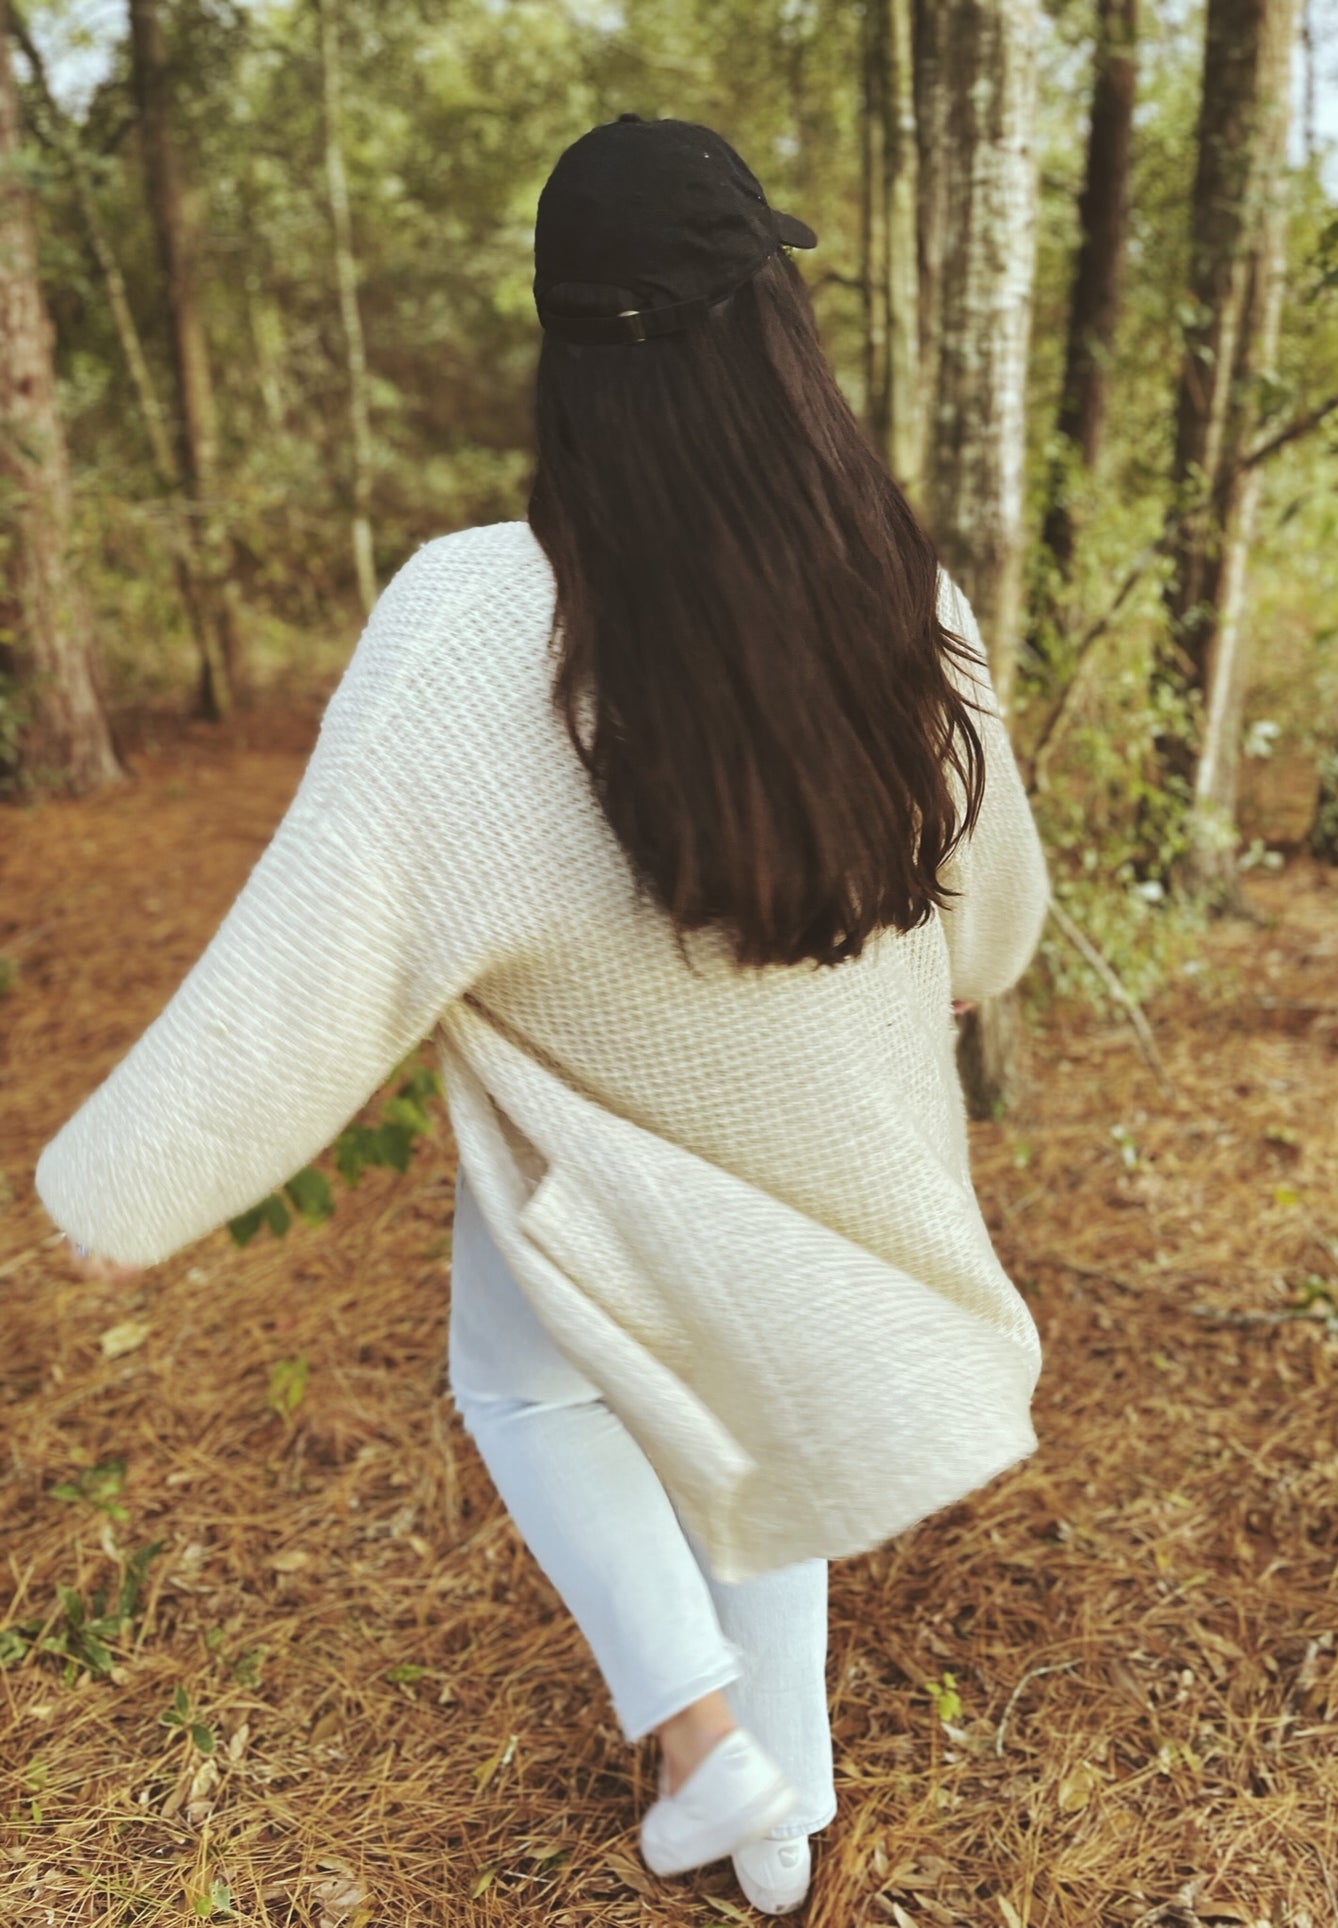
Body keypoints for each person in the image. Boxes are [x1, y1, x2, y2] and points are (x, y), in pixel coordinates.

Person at [39, 115, 1050, 1918]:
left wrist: (119, 1191)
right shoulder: (907, 599)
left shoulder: (471, 618)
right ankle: (780, 1821)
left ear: (563, 352)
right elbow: (992, 926)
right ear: (773, 335)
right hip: (827, 1159)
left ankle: (699, 1736)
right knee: (760, 1412)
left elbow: (313, 953)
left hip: (593, 1153)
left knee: (522, 1376)